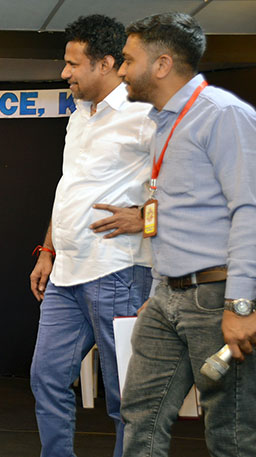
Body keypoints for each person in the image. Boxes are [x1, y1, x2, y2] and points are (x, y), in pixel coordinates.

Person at [117, 12, 256, 457]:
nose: (121, 70)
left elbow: (249, 210)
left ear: (161, 64)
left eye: (127, 60)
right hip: (166, 295)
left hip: (217, 296)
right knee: (140, 415)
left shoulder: (223, 115)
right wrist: (159, 288)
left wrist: (241, 304)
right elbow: (177, 211)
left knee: (231, 432)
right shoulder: (162, 122)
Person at [29, 15, 154, 457]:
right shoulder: (79, 116)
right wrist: (48, 249)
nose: (64, 72)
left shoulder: (145, 114)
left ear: (106, 64)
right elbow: (70, 189)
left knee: (126, 397)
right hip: (66, 273)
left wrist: (146, 217)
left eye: (73, 64)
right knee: (46, 377)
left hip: (118, 271)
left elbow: (193, 183)